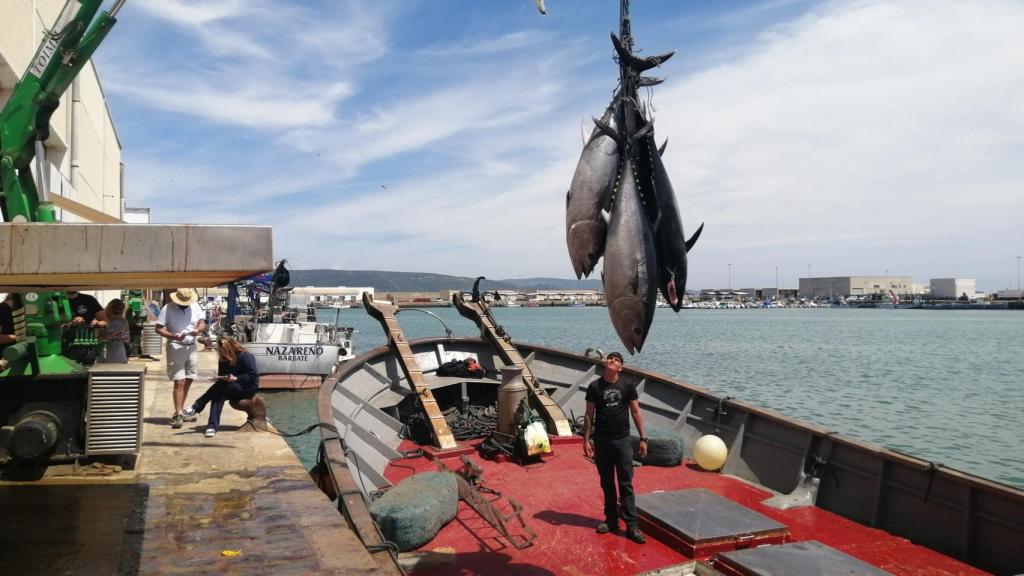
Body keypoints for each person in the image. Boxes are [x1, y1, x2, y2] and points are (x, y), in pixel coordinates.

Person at [583, 351, 648, 544]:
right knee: (607, 482)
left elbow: (635, 411)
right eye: (610, 358)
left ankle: (632, 525)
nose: (612, 360)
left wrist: (644, 438)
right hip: (602, 441)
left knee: (625, 483)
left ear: (621, 367)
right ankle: (611, 520)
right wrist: (586, 439)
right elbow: (588, 414)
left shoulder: (627, 386)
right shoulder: (594, 387)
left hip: (622, 441)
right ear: (605, 363)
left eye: (617, 360)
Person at [181, 337, 259, 438]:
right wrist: (222, 377)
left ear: (230, 348)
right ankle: (211, 426)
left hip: (247, 387)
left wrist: (236, 378)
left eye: (223, 351)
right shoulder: (223, 358)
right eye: (220, 351)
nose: (221, 353)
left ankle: (197, 408)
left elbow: (253, 375)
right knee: (218, 394)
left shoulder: (245, 356)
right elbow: (222, 375)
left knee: (220, 388)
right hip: (229, 386)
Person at [156, 288, 206, 428]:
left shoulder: (195, 305)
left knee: (189, 378)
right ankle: (178, 414)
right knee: (179, 381)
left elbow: (202, 323)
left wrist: (198, 330)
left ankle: (179, 411)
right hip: (176, 345)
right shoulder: (168, 308)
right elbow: (158, 328)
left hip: (191, 346)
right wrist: (172, 335)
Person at [99, 298, 130, 363]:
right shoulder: (103, 321)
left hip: (120, 353)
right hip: (106, 352)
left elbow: (128, 339)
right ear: (109, 310)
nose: (118, 315)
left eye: (120, 312)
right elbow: (98, 338)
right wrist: (112, 336)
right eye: (116, 313)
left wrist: (124, 337)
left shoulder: (123, 321)